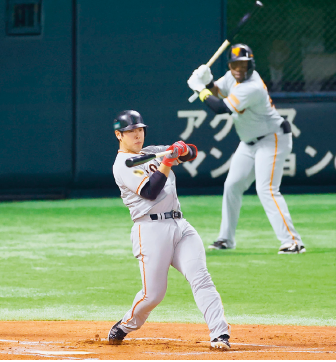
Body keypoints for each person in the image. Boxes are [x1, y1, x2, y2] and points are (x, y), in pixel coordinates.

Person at [109, 110, 231, 350]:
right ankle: (125, 325)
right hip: (150, 230)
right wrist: (166, 162)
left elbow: (192, 153)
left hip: (180, 226)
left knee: (202, 279)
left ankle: (220, 335)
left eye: (140, 129)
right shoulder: (123, 164)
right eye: (131, 131)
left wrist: (181, 149)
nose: (137, 135)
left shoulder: (152, 152)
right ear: (119, 135)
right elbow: (150, 191)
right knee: (153, 295)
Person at [187, 44, 305, 254]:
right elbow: (218, 91)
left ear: (251, 65)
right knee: (232, 185)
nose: (239, 69)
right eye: (235, 64)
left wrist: (199, 88)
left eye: (244, 64)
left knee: (266, 188)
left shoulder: (252, 86)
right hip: (249, 142)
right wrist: (207, 81)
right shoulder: (232, 77)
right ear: (230, 65)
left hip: (272, 138)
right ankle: (226, 239)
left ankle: (293, 242)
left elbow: (221, 108)